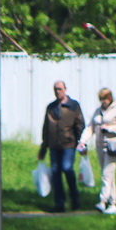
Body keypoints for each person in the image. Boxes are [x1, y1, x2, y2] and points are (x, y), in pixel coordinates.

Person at [78, 87, 116, 214]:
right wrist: (83, 141)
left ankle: (102, 202)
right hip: (100, 145)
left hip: (113, 146)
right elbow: (90, 127)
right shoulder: (98, 111)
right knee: (108, 175)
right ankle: (113, 204)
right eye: (101, 99)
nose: (103, 102)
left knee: (106, 174)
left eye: (105, 99)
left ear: (110, 98)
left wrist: (110, 129)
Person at [39, 80, 84, 212]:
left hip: (68, 144)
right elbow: (46, 128)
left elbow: (80, 124)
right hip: (54, 145)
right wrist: (43, 147)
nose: (58, 92)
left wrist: (77, 141)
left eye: (60, 89)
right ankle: (59, 203)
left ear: (65, 89)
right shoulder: (51, 107)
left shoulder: (73, 105)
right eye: (55, 89)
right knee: (55, 172)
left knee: (67, 168)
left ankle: (75, 199)